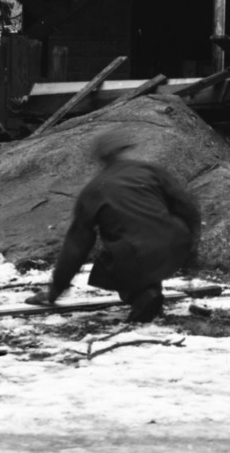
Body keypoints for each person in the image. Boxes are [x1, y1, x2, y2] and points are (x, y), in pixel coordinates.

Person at [42, 132, 202, 321]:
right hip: (175, 243)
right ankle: (150, 294)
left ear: (101, 158)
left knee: (110, 264)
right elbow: (188, 208)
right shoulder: (150, 171)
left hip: (135, 253)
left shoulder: (93, 190)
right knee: (145, 251)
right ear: (123, 152)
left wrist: (55, 289)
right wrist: (192, 245)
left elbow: (76, 247)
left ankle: (142, 296)